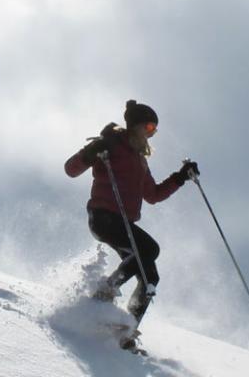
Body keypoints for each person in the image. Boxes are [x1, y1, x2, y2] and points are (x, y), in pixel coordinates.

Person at [64, 100, 200, 327]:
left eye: (154, 130)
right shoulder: (109, 145)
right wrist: (91, 153)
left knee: (150, 277)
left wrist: (180, 177)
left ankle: (126, 329)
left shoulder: (140, 160)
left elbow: (153, 194)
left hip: (123, 222)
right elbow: (71, 169)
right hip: (103, 217)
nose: (151, 134)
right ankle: (106, 290)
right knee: (149, 249)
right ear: (134, 125)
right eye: (148, 128)